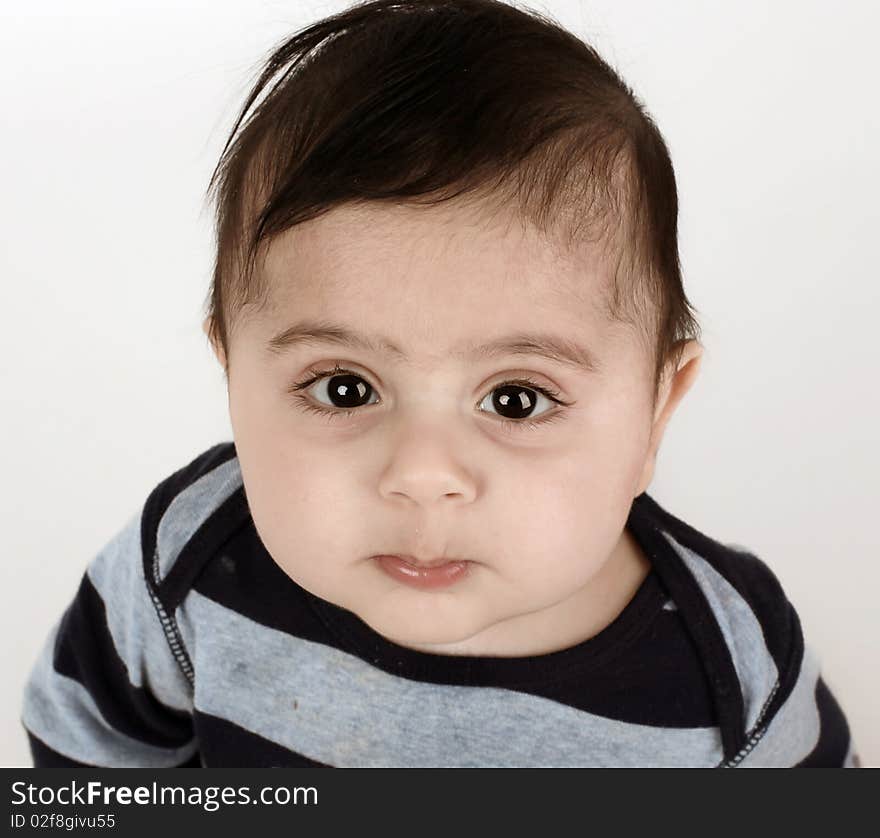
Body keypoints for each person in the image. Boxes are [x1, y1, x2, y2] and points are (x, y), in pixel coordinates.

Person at [21, 0, 860, 767]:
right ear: (233, 373)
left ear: (654, 411)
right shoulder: (188, 562)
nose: (422, 474)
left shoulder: (735, 668)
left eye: (516, 398)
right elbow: (86, 746)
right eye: (345, 387)